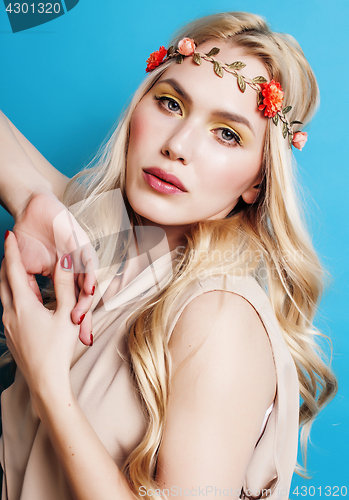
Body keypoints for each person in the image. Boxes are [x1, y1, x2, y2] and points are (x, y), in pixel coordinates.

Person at [0, 11, 338, 500]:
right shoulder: (99, 232)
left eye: (227, 133)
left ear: (258, 181)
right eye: (170, 103)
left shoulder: (222, 318)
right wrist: (32, 198)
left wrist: (49, 384)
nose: (177, 145)